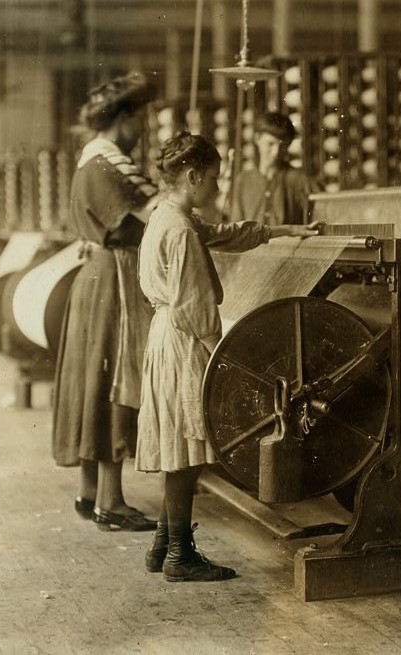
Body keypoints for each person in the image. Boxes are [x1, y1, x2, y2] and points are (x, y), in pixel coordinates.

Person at [136, 132, 319, 581]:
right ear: (193, 176)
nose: (218, 188)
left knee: (180, 445)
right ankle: (181, 555)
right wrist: (233, 358)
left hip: (167, 337)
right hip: (184, 341)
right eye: (214, 179)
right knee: (187, 450)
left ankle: (164, 543)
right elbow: (198, 311)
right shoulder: (179, 230)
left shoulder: (165, 215)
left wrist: (284, 231)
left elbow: (224, 234)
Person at [52, 72, 159, 532]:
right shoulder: (108, 166)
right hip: (113, 279)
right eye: (140, 119)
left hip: (94, 277)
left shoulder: (89, 163)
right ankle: (112, 504)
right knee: (119, 377)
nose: (144, 129)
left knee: (92, 377)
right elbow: (151, 218)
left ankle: (90, 491)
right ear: (123, 119)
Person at [229, 112, 318, 225]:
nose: (276, 152)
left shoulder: (300, 179)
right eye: (270, 144)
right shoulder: (243, 180)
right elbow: (236, 228)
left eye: (282, 145)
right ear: (257, 138)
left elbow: (322, 211)